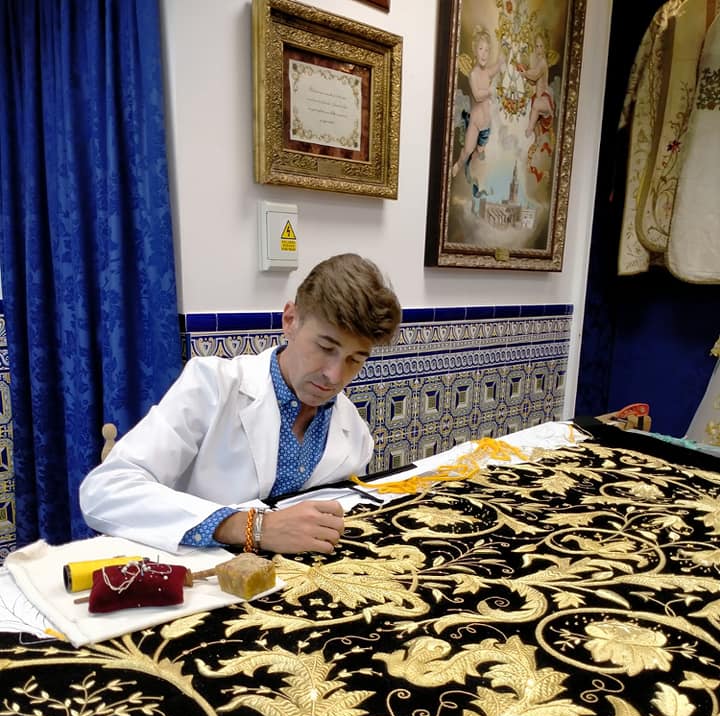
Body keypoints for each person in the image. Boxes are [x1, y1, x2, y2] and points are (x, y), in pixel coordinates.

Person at [79, 253, 402, 557]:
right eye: (326, 347)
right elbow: (105, 491)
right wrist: (252, 527)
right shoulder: (211, 385)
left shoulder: (353, 429)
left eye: (354, 359)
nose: (334, 376)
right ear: (290, 320)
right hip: (200, 575)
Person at [452, 26, 505, 180]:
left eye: (487, 50)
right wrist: (490, 91)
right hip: (475, 122)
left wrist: (502, 58)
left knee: (480, 150)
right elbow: (477, 95)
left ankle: (474, 159)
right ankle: (458, 164)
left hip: (486, 124)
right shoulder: (473, 74)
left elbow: (497, 67)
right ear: (475, 51)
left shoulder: (487, 72)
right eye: (481, 49)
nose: (484, 53)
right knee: (467, 150)